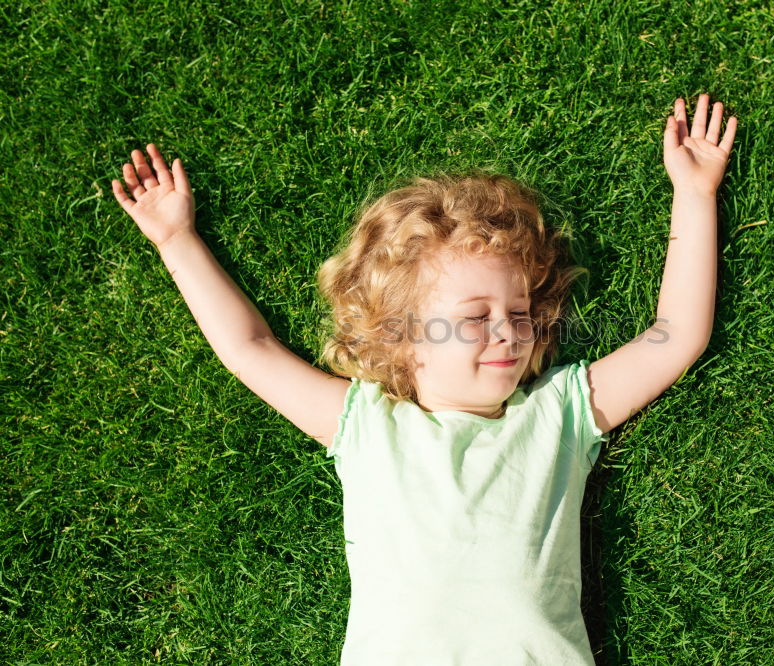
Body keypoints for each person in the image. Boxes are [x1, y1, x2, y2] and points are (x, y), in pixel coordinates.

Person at [112, 93, 737, 664]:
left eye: (518, 314)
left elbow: (676, 336)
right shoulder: (365, 426)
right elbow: (251, 350)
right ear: (402, 340)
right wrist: (175, 239)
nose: (508, 331)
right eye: (475, 317)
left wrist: (694, 193)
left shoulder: (559, 416)